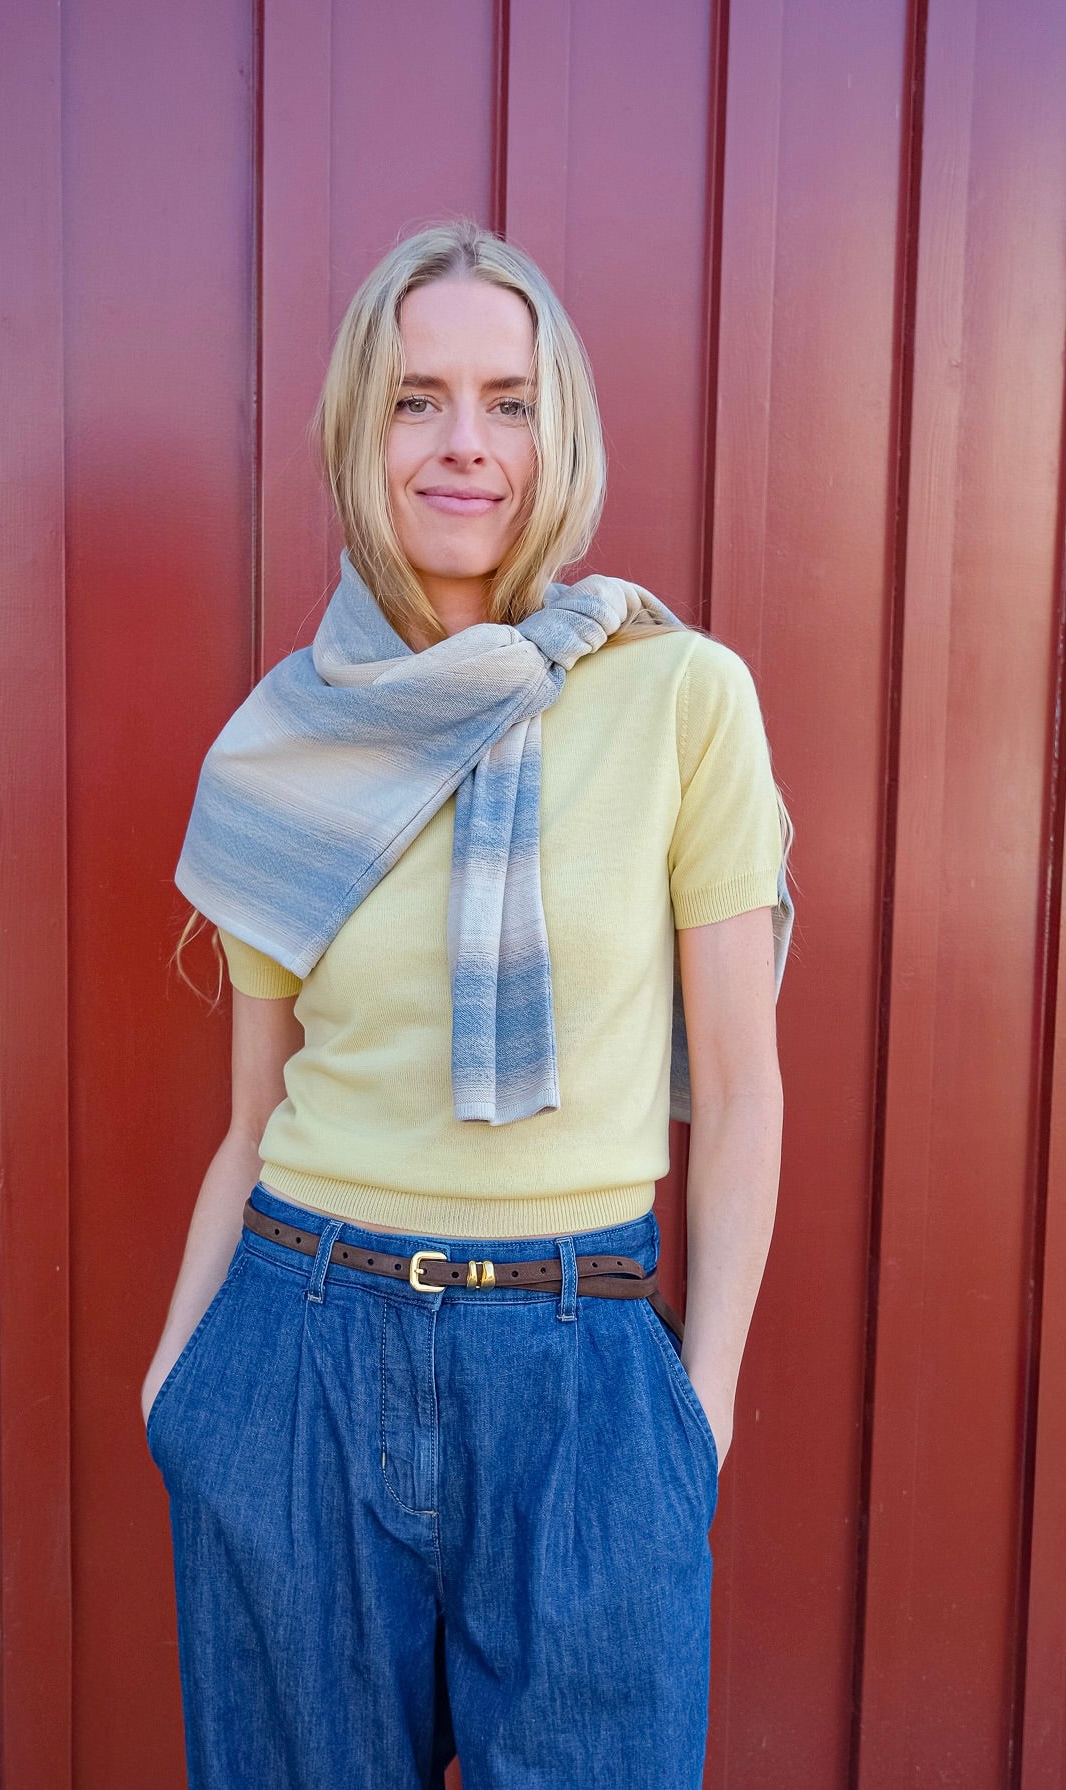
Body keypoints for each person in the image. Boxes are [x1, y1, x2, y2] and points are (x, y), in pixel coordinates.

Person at [142, 216, 794, 1790]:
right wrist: (181, 1401)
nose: (464, 445)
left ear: (554, 429)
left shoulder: (676, 693)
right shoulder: (285, 739)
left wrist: (692, 1417)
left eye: (507, 400)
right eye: (417, 398)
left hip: (580, 1372)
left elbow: (748, 1094)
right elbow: (251, 1122)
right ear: (361, 432)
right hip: (296, 1347)